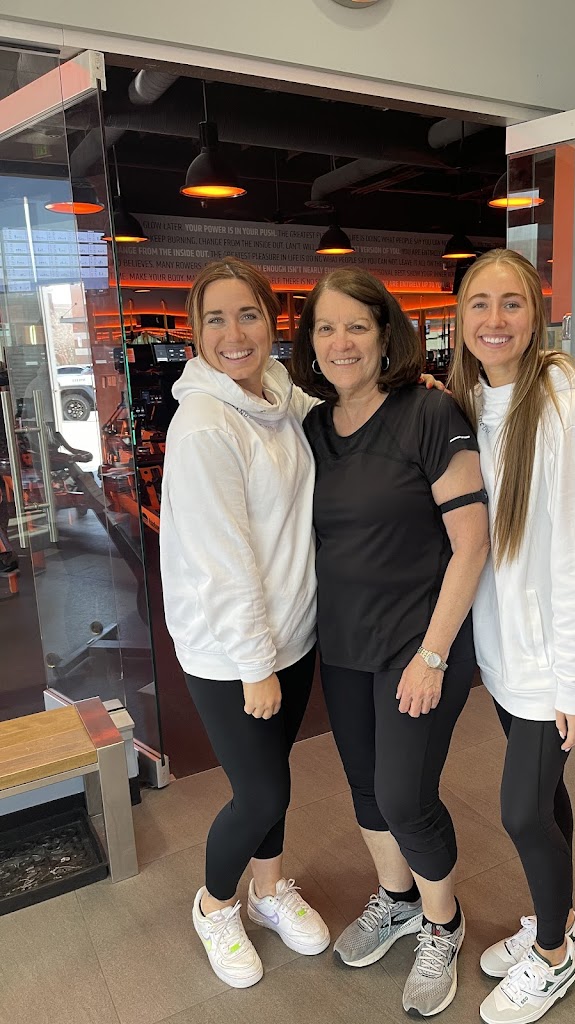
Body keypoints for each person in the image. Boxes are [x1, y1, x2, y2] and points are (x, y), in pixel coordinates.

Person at [292, 268, 490, 1018]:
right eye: (325, 328)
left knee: (406, 796)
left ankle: (443, 923)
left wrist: (433, 656)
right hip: (344, 644)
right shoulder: (313, 428)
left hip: (420, 644)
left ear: (385, 335)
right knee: (368, 790)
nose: (340, 342)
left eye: (356, 326)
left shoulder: (430, 412)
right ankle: (398, 899)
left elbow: (471, 543)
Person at [448, 249, 575, 1024]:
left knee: (520, 811)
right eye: (478, 304)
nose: (494, 320)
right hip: (507, 654)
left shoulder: (564, 412)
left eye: (510, 303)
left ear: (536, 314)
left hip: (552, 664)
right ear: (460, 318)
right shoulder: (476, 402)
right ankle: (560, 921)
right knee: (545, 797)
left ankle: (553, 956)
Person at [159, 257, 330, 989]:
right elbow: (223, 563)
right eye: (216, 320)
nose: (234, 334)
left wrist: (405, 391)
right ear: (196, 334)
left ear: (272, 320)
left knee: (275, 779)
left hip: (289, 632)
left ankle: (268, 889)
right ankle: (215, 904)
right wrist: (256, 666)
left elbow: (331, 413)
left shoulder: (278, 394)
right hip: (232, 652)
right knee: (260, 794)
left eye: (249, 314)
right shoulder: (204, 424)